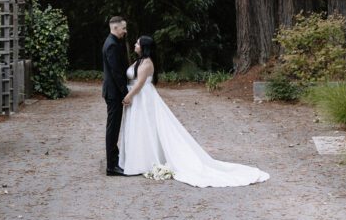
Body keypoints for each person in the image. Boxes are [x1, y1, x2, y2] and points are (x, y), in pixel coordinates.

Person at [119, 35, 269, 187]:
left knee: (146, 126)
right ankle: (139, 159)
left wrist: (128, 96)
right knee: (139, 127)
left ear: (144, 46)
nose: (135, 44)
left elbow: (140, 83)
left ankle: (146, 160)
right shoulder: (138, 61)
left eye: (137, 43)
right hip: (137, 98)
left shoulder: (147, 63)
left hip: (142, 97)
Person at [102, 16, 128, 176]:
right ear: (116, 28)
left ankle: (114, 160)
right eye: (123, 28)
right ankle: (111, 165)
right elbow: (116, 72)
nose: (125, 31)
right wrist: (125, 93)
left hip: (112, 92)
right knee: (113, 128)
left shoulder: (113, 43)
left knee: (114, 127)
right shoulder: (111, 45)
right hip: (113, 93)